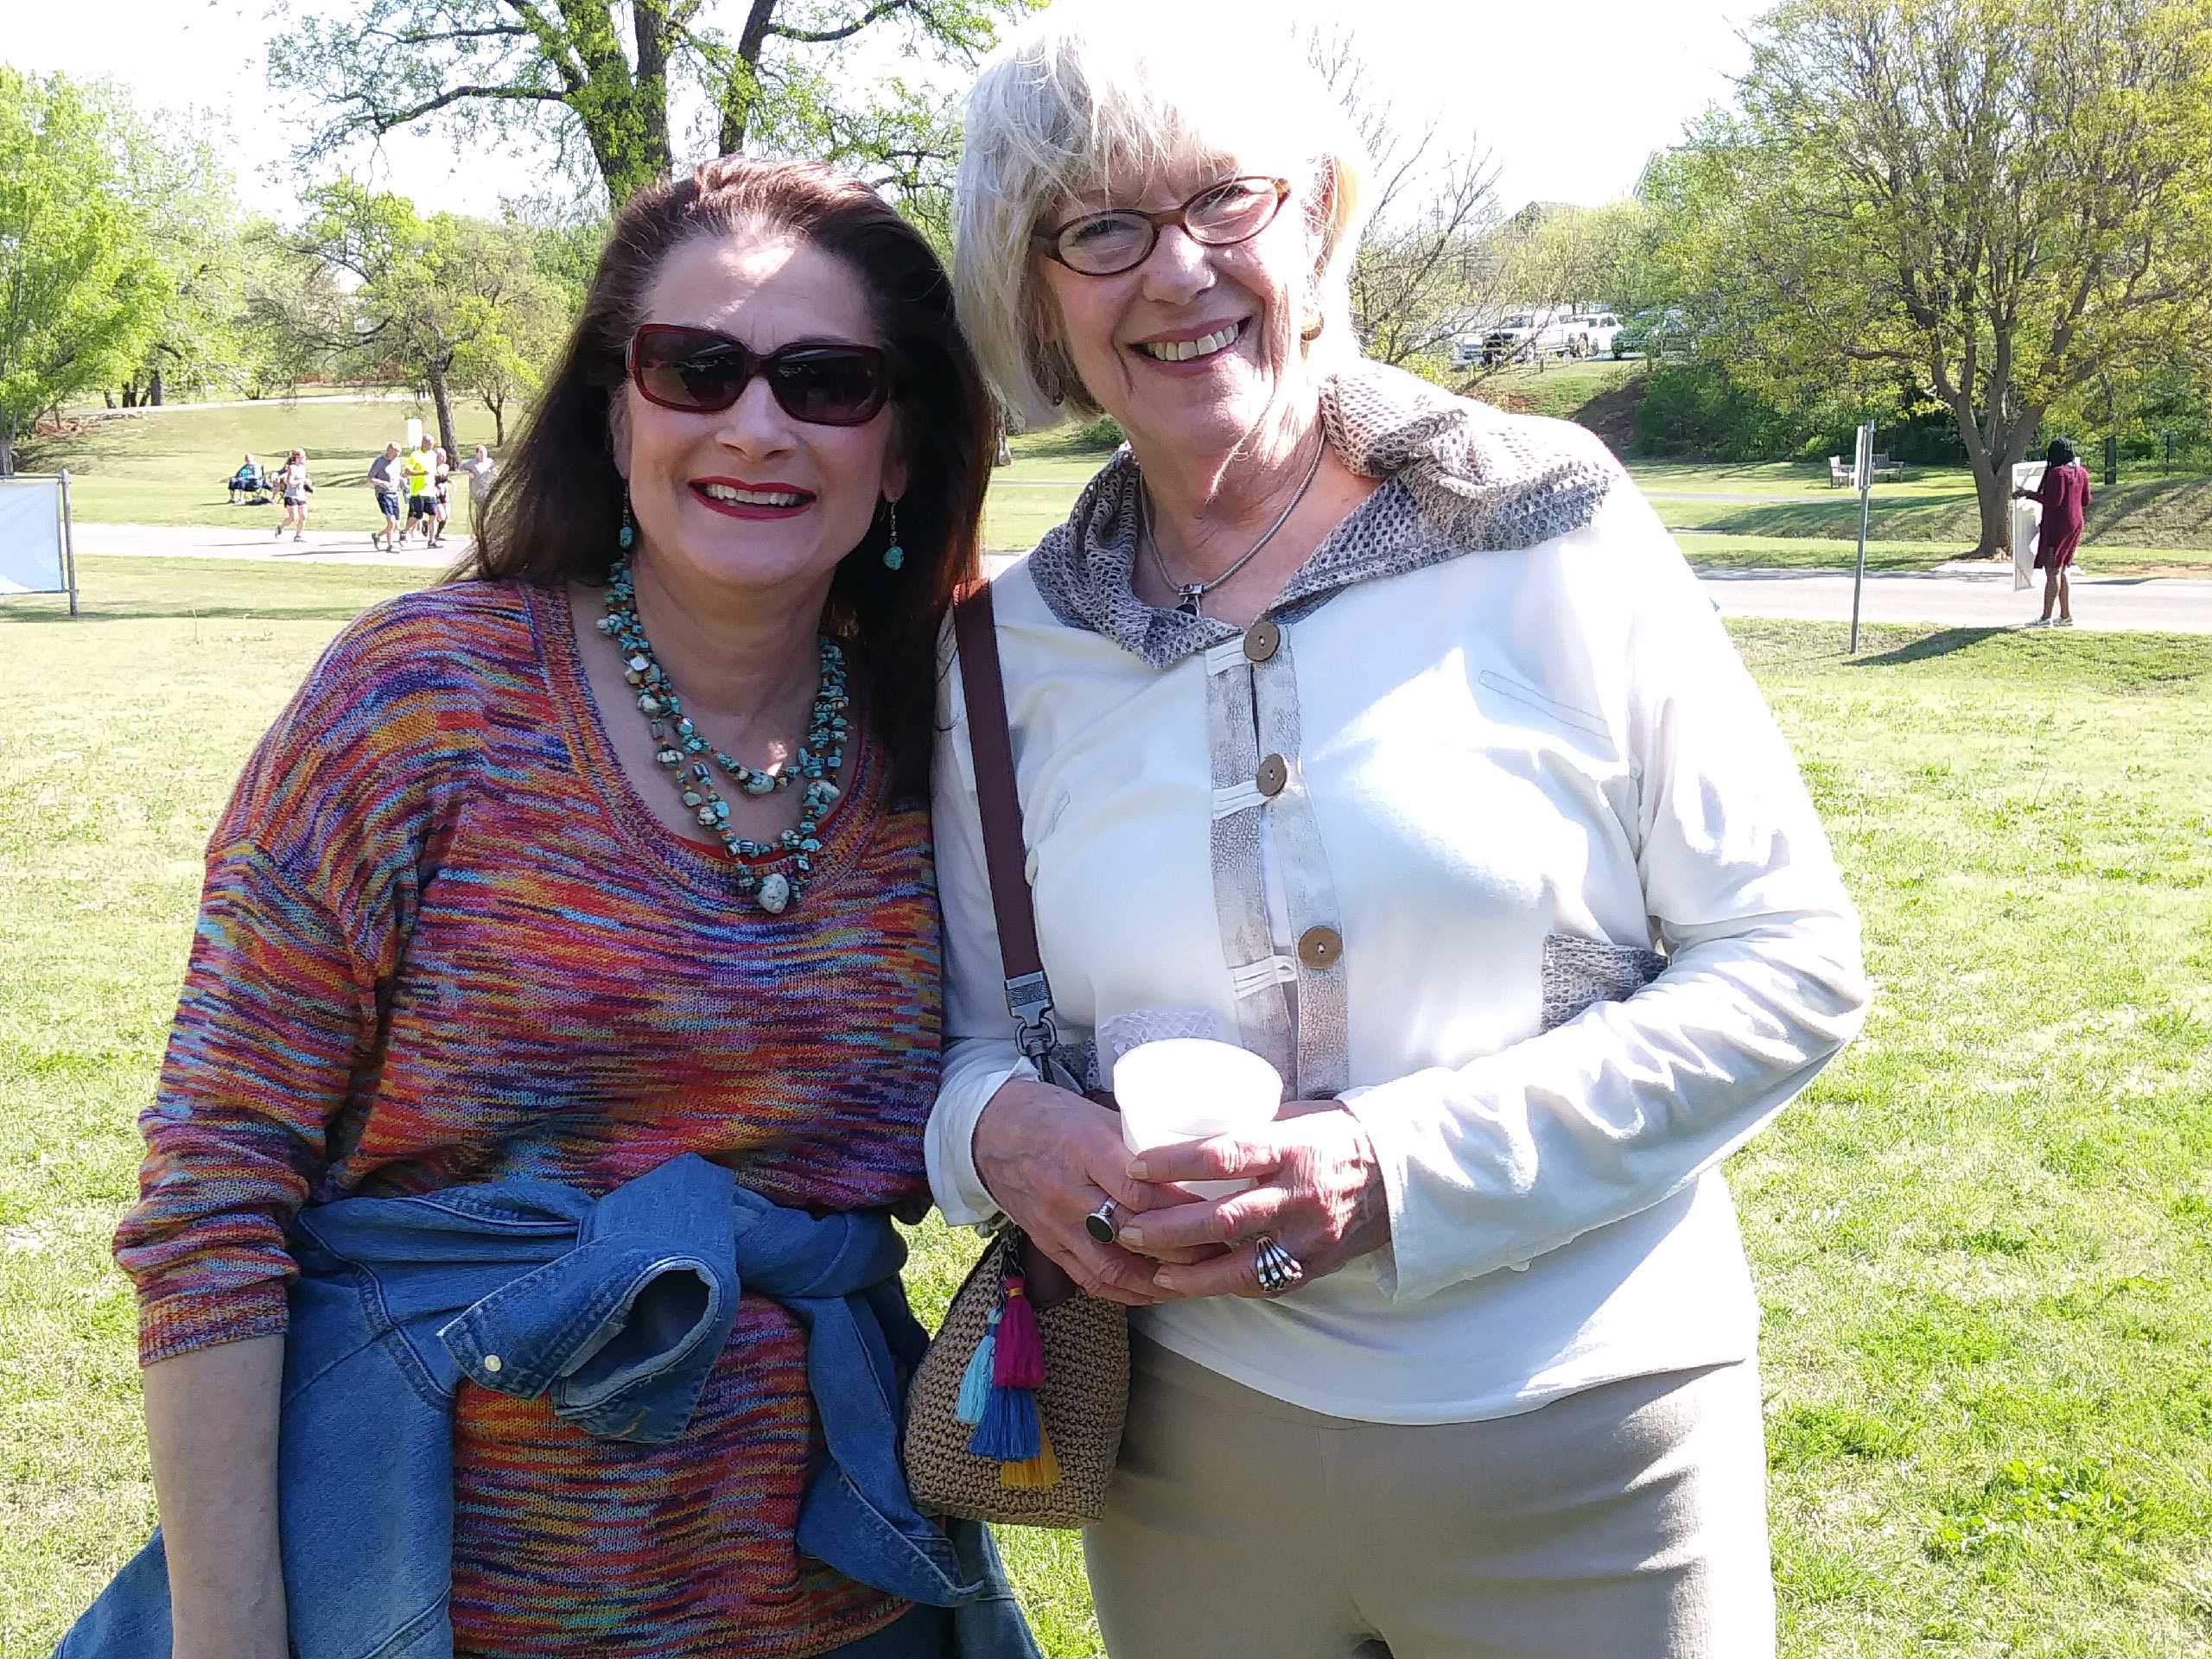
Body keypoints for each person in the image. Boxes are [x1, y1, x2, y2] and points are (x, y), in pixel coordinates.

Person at [928, 5, 1871, 1656]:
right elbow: (964, 1047)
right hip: (1186, 1474)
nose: (1178, 273)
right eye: (1103, 228)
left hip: (1589, 1454)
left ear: (1316, 219)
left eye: (1232, 201)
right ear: (1032, 288)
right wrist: (1004, 1141)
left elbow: (1787, 966)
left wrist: (1389, 1168)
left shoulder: (1544, 523)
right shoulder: (1005, 651)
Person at [92, 156, 1014, 1659]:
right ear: (614, 404)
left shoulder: (957, 760)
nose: (756, 425)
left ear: (902, 446)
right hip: (421, 1594)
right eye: (694, 368)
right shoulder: (418, 703)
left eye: (828, 382)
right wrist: (227, 1632)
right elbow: (213, 1194)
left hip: (847, 1593)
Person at [2012, 437, 2092, 628]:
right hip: (2076, 524)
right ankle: (2065, 616)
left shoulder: (2057, 473)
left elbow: (2053, 501)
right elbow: (2086, 500)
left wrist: (2027, 494)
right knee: (2064, 569)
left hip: (2058, 525)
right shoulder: (2081, 472)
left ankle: (2046, 618)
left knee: (2053, 570)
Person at [399, 434, 438, 543]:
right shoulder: (415, 455)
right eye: (429, 444)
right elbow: (407, 471)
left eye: (432, 444)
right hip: (418, 491)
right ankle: (404, 531)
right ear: (423, 442)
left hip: (430, 491)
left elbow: (433, 471)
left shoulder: (433, 455)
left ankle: (432, 540)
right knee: (417, 517)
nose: (431, 446)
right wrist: (422, 473)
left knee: (434, 514)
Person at [365, 441, 403, 550]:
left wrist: (402, 480)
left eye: (398, 454)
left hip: (394, 493)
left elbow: (396, 475)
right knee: (391, 522)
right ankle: (390, 545)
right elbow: (370, 478)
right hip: (383, 493)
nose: (396, 456)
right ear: (389, 451)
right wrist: (381, 483)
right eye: (395, 454)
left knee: (395, 525)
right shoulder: (379, 462)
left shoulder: (396, 461)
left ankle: (377, 536)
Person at [271, 448, 311, 542]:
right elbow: (290, 482)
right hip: (291, 495)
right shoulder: (292, 468)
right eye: (303, 456)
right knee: (293, 517)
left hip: (301, 495)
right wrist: (301, 481)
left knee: (304, 516)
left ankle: (298, 535)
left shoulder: (303, 468)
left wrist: (308, 483)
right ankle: (280, 527)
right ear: (297, 457)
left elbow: (304, 480)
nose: (305, 458)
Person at [430, 444, 454, 548]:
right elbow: (433, 479)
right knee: (441, 515)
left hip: (444, 493)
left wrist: (451, 481)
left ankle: (437, 534)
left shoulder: (446, 467)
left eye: (444, 456)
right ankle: (429, 529)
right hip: (435, 493)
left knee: (446, 516)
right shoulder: (432, 467)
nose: (444, 458)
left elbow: (445, 478)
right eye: (441, 456)